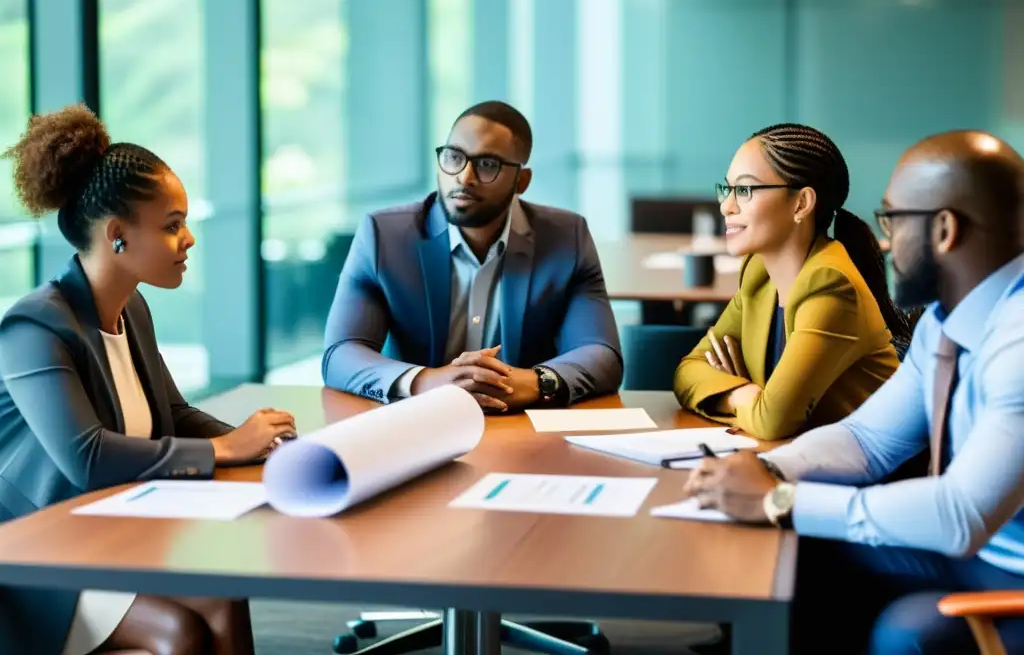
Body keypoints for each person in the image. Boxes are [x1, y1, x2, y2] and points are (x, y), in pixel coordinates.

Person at [682, 130, 1024, 654]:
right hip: (973, 552)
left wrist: (779, 498)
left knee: (908, 632)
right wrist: (768, 470)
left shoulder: (1017, 341)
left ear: (945, 229)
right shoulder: (945, 321)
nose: (885, 242)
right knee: (798, 553)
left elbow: (962, 516)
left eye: (893, 220)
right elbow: (868, 440)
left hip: (1007, 573)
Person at [0, 105, 297, 655]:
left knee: (227, 595)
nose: (188, 240)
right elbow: (86, 459)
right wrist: (225, 449)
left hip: (111, 533)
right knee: (179, 633)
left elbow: (174, 414)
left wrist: (267, 446)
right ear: (116, 234)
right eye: (171, 225)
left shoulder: (130, 307)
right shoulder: (32, 326)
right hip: (37, 556)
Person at [323, 100, 622, 411]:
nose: (464, 177)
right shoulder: (384, 236)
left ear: (522, 181)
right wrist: (426, 381)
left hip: (521, 430)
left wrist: (533, 382)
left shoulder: (565, 237)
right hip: (418, 424)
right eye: (454, 157)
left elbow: (601, 353)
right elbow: (341, 354)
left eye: (487, 164)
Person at [673, 123, 910, 441]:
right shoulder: (758, 273)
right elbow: (688, 370)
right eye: (727, 189)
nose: (726, 205)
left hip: (868, 472)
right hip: (799, 457)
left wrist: (733, 392)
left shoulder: (831, 284)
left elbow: (773, 420)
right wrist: (747, 394)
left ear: (801, 204)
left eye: (744, 190)